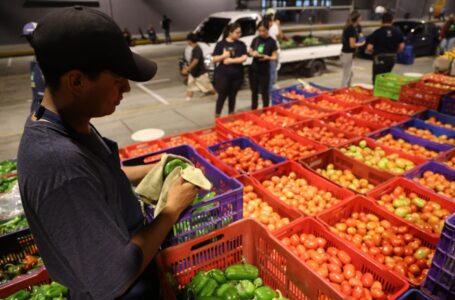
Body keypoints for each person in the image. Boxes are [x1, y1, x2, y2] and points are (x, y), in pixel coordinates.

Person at [17, 6, 197, 299]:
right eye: (117, 81)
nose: (126, 88)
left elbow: (96, 178)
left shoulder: (66, 122)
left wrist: (157, 168)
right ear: (76, 81)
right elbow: (114, 277)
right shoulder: (58, 165)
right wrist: (170, 211)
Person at [212, 23, 248, 117]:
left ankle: (231, 115)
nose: (239, 35)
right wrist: (223, 56)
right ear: (230, 32)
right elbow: (214, 59)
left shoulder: (241, 44)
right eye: (237, 32)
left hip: (237, 75)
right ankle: (217, 116)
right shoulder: (221, 44)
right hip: (223, 75)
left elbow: (244, 58)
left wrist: (231, 60)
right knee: (222, 95)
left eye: (240, 32)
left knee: (233, 96)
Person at [366, 12, 404, 84]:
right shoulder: (397, 32)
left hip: (380, 58)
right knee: (386, 77)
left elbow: (369, 48)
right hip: (392, 58)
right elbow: (401, 46)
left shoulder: (377, 32)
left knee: (377, 79)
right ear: (392, 20)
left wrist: (375, 51)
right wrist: (395, 52)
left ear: (381, 21)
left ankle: (377, 93)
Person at [248, 21, 278, 110]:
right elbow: (250, 51)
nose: (261, 33)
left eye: (263, 31)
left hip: (264, 70)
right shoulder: (256, 39)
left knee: (265, 92)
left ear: (267, 29)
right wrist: (253, 53)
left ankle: (266, 110)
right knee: (254, 92)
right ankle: (253, 110)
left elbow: (275, 56)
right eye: (259, 31)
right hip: (254, 70)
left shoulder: (272, 42)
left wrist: (267, 57)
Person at [181, 33, 215, 101]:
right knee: (190, 87)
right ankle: (188, 100)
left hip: (200, 73)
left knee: (209, 88)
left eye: (187, 40)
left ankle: (217, 96)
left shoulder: (197, 49)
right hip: (193, 73)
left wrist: (188, 69)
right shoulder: (194, 49)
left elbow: (195, 61)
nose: (187, 42)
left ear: (190, 41)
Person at [22, 22, 45, 113]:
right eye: (28, 38)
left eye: (31, 37)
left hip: (44, 105)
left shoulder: (46, 56)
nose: (30, 41)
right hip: (37, 102)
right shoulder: (36, 57)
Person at [340, 11, 365, 87]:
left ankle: (347, 88)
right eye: (360, 17)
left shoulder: (356, 27)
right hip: (347, 54)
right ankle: (343, 90)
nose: (361, 18)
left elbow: (361, 36)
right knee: (347, 75)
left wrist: (363, 39)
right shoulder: (350, 28)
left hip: (351, 54)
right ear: (357, 18)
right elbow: (352, 45)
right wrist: (362, 43)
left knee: (350, 73)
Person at [265, 9, 282, 93]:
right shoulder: (274, 25)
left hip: (268, 51)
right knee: (272, 69)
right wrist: (278, 25)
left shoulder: (263, 25)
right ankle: (271, 89)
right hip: (273, 51)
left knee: (270, 70)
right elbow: (279, 36)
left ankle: (270, 87)